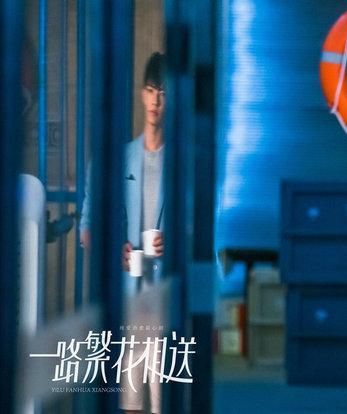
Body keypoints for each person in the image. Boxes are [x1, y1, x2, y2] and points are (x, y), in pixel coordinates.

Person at [80, 51, 167, 414]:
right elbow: (87, 228)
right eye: (150, 90)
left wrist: (175, 242)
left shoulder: (184, 165)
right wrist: (112, 246)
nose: (155, 101)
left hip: (165, 299)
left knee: (165, 401)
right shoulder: (117, 161)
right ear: (141, 94)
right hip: (128, 298)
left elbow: (204, 233)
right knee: (128, 403)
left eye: (163, 93)